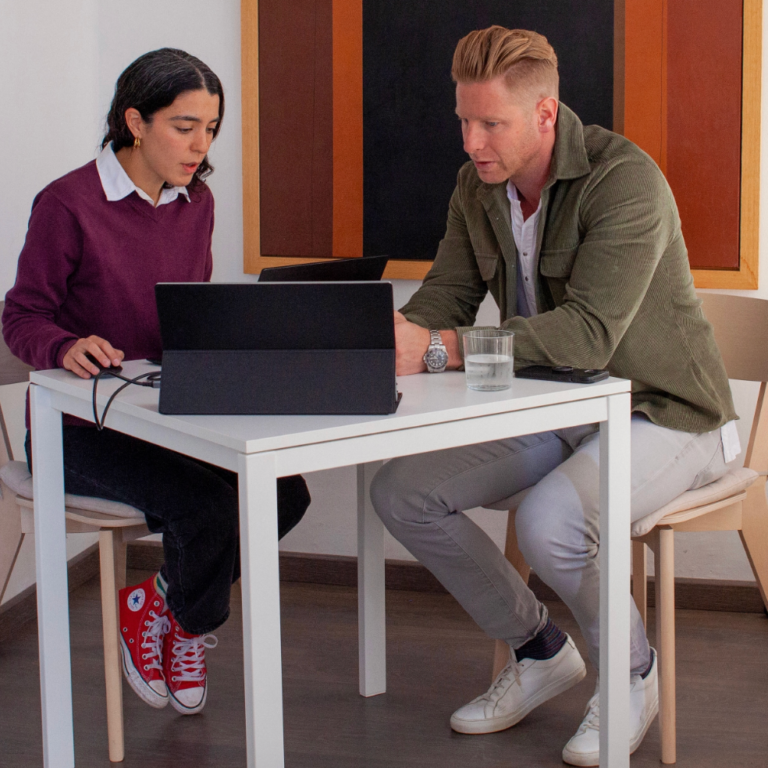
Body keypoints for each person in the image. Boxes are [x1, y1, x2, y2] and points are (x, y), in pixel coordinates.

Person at [370, 26, 739, 766]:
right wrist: (390, 334)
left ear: (545, 114)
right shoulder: (477, 185)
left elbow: (589, 337)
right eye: (464, 122)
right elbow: (445, 295)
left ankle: (634, 673)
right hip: (558, 411)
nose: (473, 142)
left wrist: (439, 350)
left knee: (550, 522)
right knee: (402, 491)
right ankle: (540, 650)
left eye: (491, 124)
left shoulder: (623, 179)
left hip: (666, 413)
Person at [3, 48, 311, 716]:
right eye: (184, 125)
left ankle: (160, 605)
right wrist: (65, 344)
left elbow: (179, 311)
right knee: (205, 508)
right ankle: (191, 624)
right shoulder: (67, 203)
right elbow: (21, 317)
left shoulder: (194, 202)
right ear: (135, 121)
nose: (200, 145)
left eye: (211, 128)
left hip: (162, 413)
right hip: (79, 429)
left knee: (283, 494)